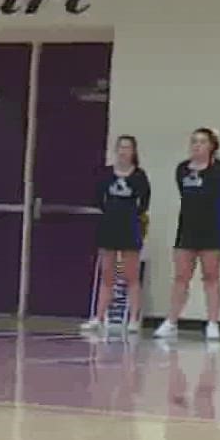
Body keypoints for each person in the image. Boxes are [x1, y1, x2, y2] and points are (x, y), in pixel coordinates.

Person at [154, 127, 220, 342]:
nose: (197, 145)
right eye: (194, 141)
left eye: (202, 141)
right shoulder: (182, 170)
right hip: (187, 230)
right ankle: (172, 321)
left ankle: (212, 322)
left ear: (212, 146)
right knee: (181, 277)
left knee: (211, 277)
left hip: (213, 231)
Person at [84, 135, 150, 337]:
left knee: (131, 275)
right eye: (120, 147)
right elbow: (97, 198)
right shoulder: (106, 174)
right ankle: (99, 317)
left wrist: (131, 216)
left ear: (133, 151)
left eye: (128, 147)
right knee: (107, 274)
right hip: (109, 227)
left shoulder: (139, 176)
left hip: (129, 227)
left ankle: (133, 319)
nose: (123, 151)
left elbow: (144, 202)